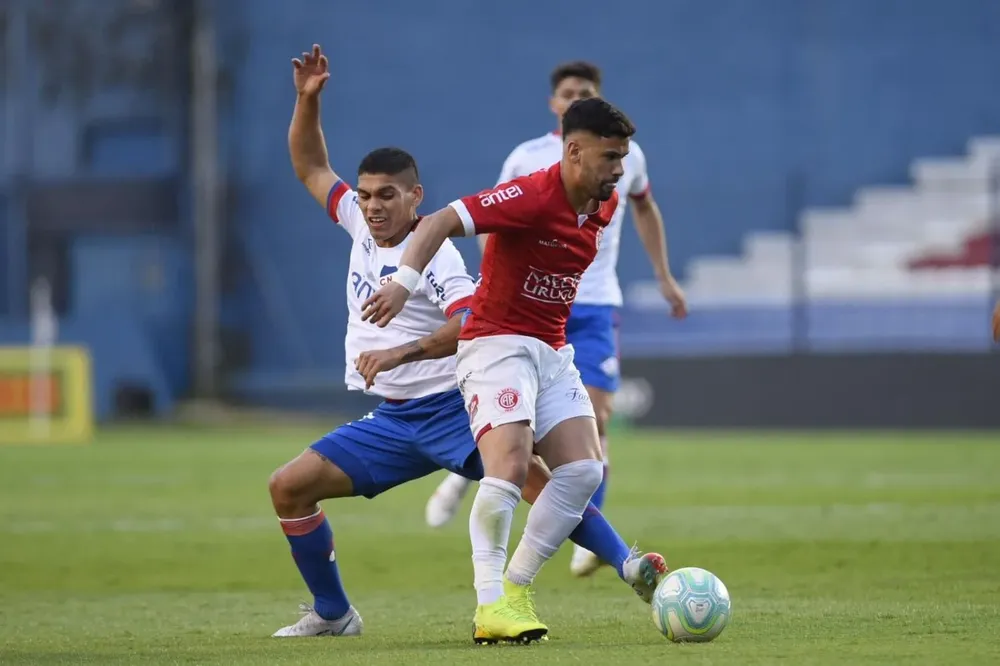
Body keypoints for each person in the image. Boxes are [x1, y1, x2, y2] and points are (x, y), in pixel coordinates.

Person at [269, 44, 667, 642]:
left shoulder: (443, 262)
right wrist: (306, 101)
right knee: (288, 487)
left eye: (387, 196)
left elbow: (469, 321)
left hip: (452, 402)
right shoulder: (358, 221)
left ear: (415, 197)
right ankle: (334, 613)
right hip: (396, 418)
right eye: (367, 195)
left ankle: (617, 564)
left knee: (544, 478)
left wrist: (400, 343)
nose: (372, 206)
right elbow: (309, 167)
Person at [361, 96, 644, 644]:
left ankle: (514, 588)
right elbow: (442, 219)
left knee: (586, 471)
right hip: (496, 343)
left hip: (552, 348)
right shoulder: (533, 194)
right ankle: (489, 602)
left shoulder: (603, 206)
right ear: (574, 151)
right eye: (610, 157)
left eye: (623, 157)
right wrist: (403, 283)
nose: (619, 170)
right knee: (510, 466)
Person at [424, 61, 687, 579]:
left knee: (595, 423)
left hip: (589, 305)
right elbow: (483, 219)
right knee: (516, 451)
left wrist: (663, 275)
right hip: (518, 314)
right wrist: (493, 285)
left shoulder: (623, 162)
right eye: (567, 93)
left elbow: (644, 208)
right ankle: (476, 478)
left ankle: (574, 538)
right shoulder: (527, 162)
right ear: (554, 105)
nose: (574, 99)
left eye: (583, 92)